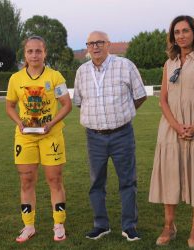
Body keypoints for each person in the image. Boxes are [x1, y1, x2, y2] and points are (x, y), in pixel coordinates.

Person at [148, 15, 194, 248]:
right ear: (172, 37)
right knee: (169, 176)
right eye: (176, 32)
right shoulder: (169, 64)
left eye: (185, 31)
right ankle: (169, 226)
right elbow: (163, 100)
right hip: (171, 127)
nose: (181, 35)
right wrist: (177, 126)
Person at [73, 31, 147, 242]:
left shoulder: (125, 66)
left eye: (99, 42)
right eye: (90, 43)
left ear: (108, 44)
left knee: (127, 181)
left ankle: (129, 226)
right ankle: (100, 224)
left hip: (122, 134)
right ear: (87, 47)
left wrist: (123, 113)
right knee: (96, 182)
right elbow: (80, 101)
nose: (95, 46)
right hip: (94, 137)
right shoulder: (82, 71)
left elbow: (140, 95)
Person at [6, 36, 72, 243]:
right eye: (30, 51)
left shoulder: (55, 77)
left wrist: (51, 124)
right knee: (26, 181)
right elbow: (9, 106)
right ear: (24, 54)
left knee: (54, 179)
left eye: (38, 51)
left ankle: (59, 224)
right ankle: (28, 226)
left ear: (45, 53)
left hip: (50, 135)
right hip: (25, 138)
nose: (34, 55)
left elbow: (66, 105)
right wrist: (19, 122)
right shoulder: (15, 79)